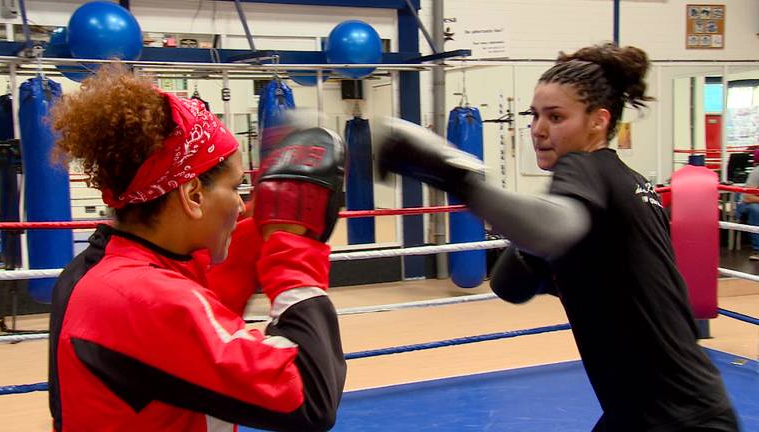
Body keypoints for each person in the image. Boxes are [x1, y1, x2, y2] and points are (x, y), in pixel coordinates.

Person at [373, 44, 739, 431]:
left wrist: (455, 178)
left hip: (677, 418)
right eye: (535, 116)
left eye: (556, 117)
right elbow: (510, 284)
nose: (538, 130)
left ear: (598, 121)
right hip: (650, 410)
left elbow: (553, 229)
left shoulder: (585, 167)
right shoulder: (626, 182)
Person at [47, 65, 347, 432]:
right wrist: (292, 247)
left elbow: (211, 293)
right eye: (236, 188)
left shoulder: (103, 269)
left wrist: (264, 224)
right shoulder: (144, 300)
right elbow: (308, 397)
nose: (240, 205)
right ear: (192, 194)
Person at [735, 149, 759, 260]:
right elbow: (748, 197)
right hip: (745, 203)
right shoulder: (757, 172)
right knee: (755, 210)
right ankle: (757, 250)